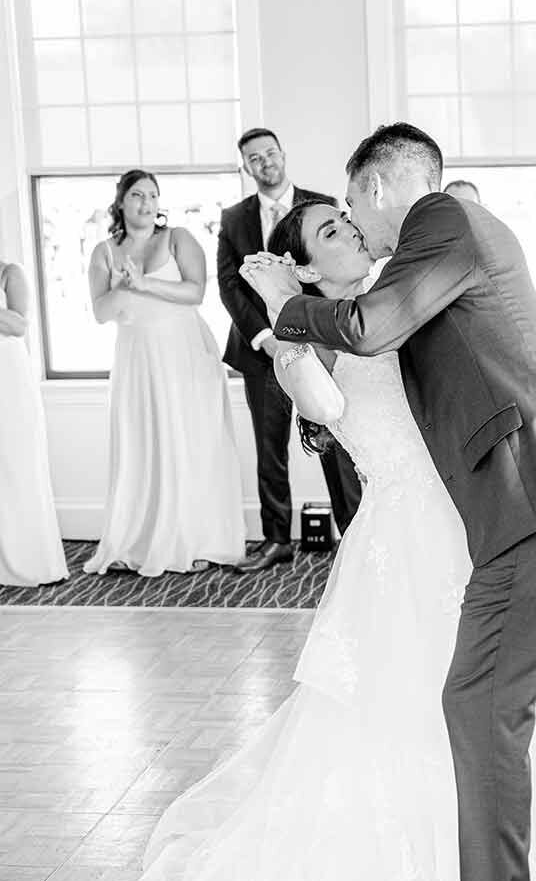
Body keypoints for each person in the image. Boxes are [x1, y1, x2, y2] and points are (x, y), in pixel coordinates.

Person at [134, 199, 536, 881]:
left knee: (530, 685)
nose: (346, 229)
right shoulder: (312, 329)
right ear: (302, 267)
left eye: (347, 217)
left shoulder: (401, 287)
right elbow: (325, 410)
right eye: (327, 232)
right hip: (405, 540)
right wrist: (279, 317)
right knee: (433, 702)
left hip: (479, 513)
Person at [84, 170, 245, 577]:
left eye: (153, 195)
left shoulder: (178, 239)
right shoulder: (104, 251)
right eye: (137, 195)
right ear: (121, 202)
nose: (146, 202)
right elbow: (101, 314)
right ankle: (136, 541)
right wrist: (123, 287)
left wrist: (144, 285)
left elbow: (196, 292)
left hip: (183, 351)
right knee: (142, 443)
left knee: (189, 442)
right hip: (136, 355)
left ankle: (195, 539)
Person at [217, 127, 361, 573]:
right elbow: (230, 285)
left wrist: (303, 332)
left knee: (335, 438)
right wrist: (266, 337)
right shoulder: (233, 218)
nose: (265, 162)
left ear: (283, 154)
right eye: (254, 158)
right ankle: (276, 538)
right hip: (258, 350)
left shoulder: (320, 206)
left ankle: (354, 532)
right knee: (269, 447)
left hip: (320, 343)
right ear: (246, 167)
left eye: (270, 153)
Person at [0, 259, 67, 588]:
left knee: (15, 463)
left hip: (7, 374)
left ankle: (26, 559)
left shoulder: (9, 272)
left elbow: (18, 325)